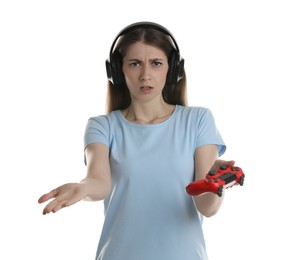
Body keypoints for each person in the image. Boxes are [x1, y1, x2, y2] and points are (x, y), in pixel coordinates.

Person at [38, 21, 235, 260]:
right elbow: (98, 182)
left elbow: (207, 208)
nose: (145, 75)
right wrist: (83, 188)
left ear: (172, 70)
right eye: (134, 64)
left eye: (156, 63)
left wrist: (216, 184)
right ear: (118, 71)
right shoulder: (102, 126)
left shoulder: (198, 120)